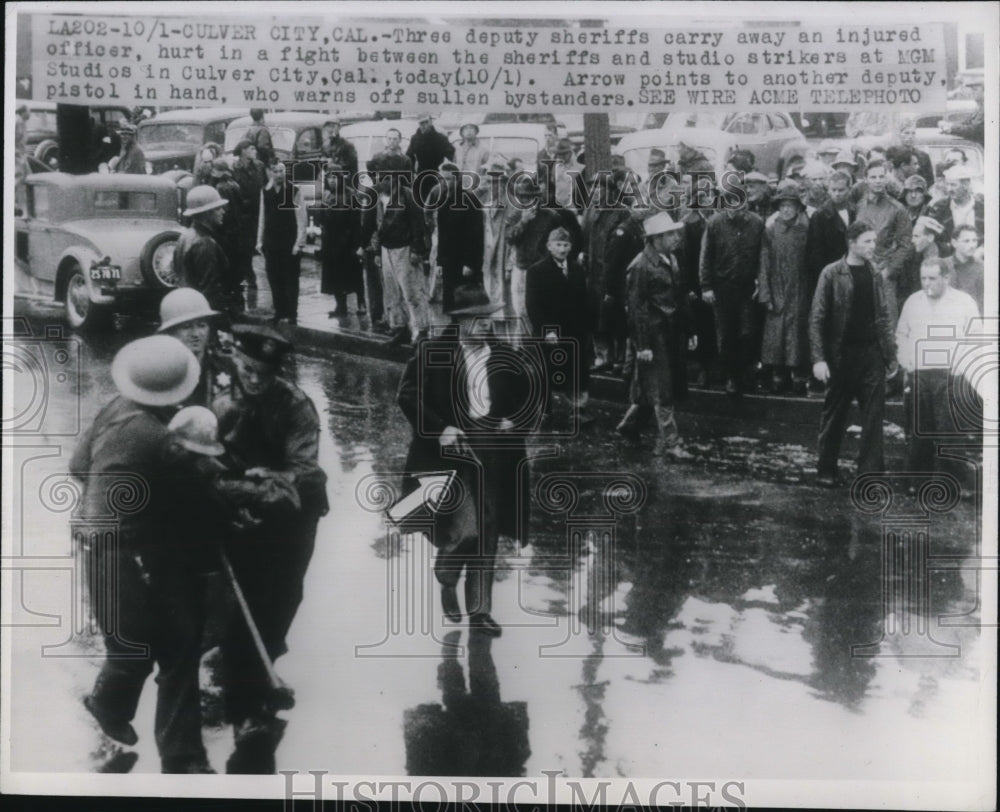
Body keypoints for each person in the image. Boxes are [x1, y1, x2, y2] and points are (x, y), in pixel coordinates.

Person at [71, 335, 213, 773]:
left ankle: (109, 708)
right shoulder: (162, 439)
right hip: (138, 554)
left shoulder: (114, 409)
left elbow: (78, 466)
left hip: (95, 547)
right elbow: (199, 499)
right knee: (179, 643)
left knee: (130, 647)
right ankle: (182, 756)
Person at [213, 324, 329, 773]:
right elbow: (208, 464)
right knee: (243, 612)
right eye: (246, 368)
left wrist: (261, 482)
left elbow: (301, 472)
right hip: (243, 520)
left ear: (275, 370)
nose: (254, 378)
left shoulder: (297, 407)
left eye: (263, 371)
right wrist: (238, 491)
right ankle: (246, 712)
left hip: (293, 521)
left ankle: (266, 665)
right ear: (236, 363)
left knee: (283, 600)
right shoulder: (221, 405)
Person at [397, 284, 533, 637]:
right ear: (458, 322)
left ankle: (480, 610)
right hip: (449, 451)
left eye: (487, 319)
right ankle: (446, 575)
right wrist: (440, 428)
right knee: (466, 528)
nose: (485, 326)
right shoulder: (433, 350)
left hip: (493, 448)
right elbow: (408, 395)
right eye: (476, 320)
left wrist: (514, 420)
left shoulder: (505, 355)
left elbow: (529, 400)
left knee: (488, 529)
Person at [809, 221, 897, 487]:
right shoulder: (832, 273)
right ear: (852, 243)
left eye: (874, 241)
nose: (873, 246)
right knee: (835, 414)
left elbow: (882, 315)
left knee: (873, 416)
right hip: (841, 355)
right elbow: (817, 318)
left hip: (871, 353)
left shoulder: (874, 273)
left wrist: (889, 354)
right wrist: (819, 358)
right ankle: (826, 469)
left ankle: (869, 473)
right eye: (867, 241)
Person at [895, 260, 981, 488]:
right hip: (920, 374)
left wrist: (961, 366)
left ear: (946, 278)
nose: (927, 283)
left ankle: (953, 482)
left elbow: (975, 339)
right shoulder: (913, 302)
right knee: (919, 430)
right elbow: (901, 334)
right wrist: (908, 362)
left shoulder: (963, 302)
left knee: (949, 431)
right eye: (923, 278)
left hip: (950, 375)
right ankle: (917, 480)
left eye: (932, 278)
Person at [618, 212, 694, 457]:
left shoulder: (670, 259)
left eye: (675, 233)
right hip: (653, 335)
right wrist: (643, 345)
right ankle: (672, 444)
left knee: (653, 385)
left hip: (671, 332)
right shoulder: (640, 265)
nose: (676, 237)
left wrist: (689, 330)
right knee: (663, 389)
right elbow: (636, 309)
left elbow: (680, 298)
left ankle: (629, 427)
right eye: (670, 233)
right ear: (655, 238)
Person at [698, 181, 765, 395]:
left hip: (747, 288)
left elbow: (762, 256)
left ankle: (746, 373)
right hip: (722, 287)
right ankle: (731, 377)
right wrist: (706, 285)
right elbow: (706, 256)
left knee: (747, 333)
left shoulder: (757, 223)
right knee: (726, 335)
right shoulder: (714, 223)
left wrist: (759, 281)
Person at [526, 227, 593, 418]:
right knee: (546, 369)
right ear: (549, 246)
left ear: (571, 247)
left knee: (578, 369)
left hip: (574, 330)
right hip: (549, 331)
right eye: (558, 245)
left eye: (566, 245)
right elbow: (532, 305)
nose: (562, 249)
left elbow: (583, 300)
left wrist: (586, 329)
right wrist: (547, 331)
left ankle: (578, 409)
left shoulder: (577, 270)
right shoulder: (536, 271)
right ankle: (544, 410)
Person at [360, 173, 432, 345]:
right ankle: (400, 327)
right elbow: (376, 225)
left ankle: (423, 330)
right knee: (392, 293)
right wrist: (377, 251)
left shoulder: (406, 195)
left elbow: (418, 223)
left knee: (412, 292)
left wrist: (416, 249)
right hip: (386, 248)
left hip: (404, 247)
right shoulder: (376, 196)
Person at [506, 178, 582, 336]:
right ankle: (526, 350)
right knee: (521, 312)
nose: (526, 200)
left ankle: (543, 344)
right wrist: (523, 222)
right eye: (523, 197)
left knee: (544, 310)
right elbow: (509, 238)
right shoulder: (515, 215)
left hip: (543, 270)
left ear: (538, 197)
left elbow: (565, 239)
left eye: (530, 197)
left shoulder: (551, 216)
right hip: (521, 269)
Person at [758, 180, 811, 395]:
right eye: (783, 206)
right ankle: (778, 375)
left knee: (797, 334)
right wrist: (765, 293)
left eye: (791, 205)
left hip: (799, 289)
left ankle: (797, 376)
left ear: (798, 207)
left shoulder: (806, 229)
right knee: (776, 335)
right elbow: (764, 264)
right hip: (777, 288)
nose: (787, 210)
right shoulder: (771, 230)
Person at [853, 159, 912, 324]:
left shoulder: (897, 209)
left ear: (886, 178)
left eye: (881, 176)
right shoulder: (859, 206)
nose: (878, 181)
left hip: (884, 274)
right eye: (873, 177)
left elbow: (905, 245)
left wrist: (888, 272)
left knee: (887, 324)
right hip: (860, 271)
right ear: (866, 179)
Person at [428, 161, 484, 312]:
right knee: (450, 304)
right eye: (442, 179)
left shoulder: (469, 199)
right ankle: (452, 332)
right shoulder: (443, 198)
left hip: (464, 261)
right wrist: (439, 262)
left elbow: (476, 235)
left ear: (457, 179)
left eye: (449, 179)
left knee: (466, 304)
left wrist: (470, 263)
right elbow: (442, 234)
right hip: (448, 260)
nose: (445, 183)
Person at [157, 287, 228, 408]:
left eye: (202, 325)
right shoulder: (159, 373)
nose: (196, 334)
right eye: (186, 327)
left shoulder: (225, 368)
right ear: (170, 332)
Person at [256, 161, 307, 325]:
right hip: (272, 242)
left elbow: (301, 219)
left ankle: (292, 313)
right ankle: (279, 311)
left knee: (291, 279)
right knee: (274, 277)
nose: (279, 174)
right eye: (275, 171)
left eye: (281, 171)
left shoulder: (294, 191)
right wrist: (259, 241)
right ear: (271, 173)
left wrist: (299, 243)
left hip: (289, 242)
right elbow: (262, 218)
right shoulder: (265, 191)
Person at [173, 185, 232, 315]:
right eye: (218, 208)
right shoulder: (205, 243)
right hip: (200, 313)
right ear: (206, 213)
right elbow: (210, 290)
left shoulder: (185, 236)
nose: (223, 211)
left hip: (185, 308)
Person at [318, 163, 364, 316]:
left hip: (348, 241)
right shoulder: (327, 195)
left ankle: (361, 303)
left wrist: (357, 244)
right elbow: (322, 218)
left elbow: (356, 221)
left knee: (354, 275)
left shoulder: (350, 194)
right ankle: (340, 306)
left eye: (334, 177)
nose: (332, 181)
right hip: (331, 242)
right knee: (335, 276)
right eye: (329, 178)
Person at [804, 169, 855, 300]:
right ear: (828, 190)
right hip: (831, 275)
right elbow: (815, 253)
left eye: (841, 190)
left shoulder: (854, 211)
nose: (837, 194)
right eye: (833, 190)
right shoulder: (820, 216)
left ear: (849, 189)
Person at [208, 158, 247, 311]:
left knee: (226, 263)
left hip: (225, 231)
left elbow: (223, 212)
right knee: (236, 262)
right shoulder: (235, 185)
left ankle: (229, 294)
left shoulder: (219, 187)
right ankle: (236, 292)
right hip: (237, 230)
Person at [231, 140, 268, 291]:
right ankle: (248, 275)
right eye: (252, 148)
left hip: (258, 210)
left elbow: (265, 184)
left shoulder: (259, 166)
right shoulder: (234, 168)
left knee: (259, 242)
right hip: (243, 212)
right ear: (243, 151)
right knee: (244, 247)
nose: (255, 151)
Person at [926, 164, 985, 252]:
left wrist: (981, 251)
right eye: (947, 184)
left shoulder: (983, 208)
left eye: (953, 185)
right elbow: (931, 238)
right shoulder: (939, 208)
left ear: (966, 185)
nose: (949, 189)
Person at [942, 225, 984, 312]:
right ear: (954, 243)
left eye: (974, 240)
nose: (972, 245)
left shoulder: (982, 268)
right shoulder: (942, 265)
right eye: (966, 241)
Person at [897, 118, 935, 187]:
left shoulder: (923, 156)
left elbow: (930, 181)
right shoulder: (894, 155)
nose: (910, 137)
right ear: (900, 134)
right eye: (906, 133)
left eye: (913, 133)